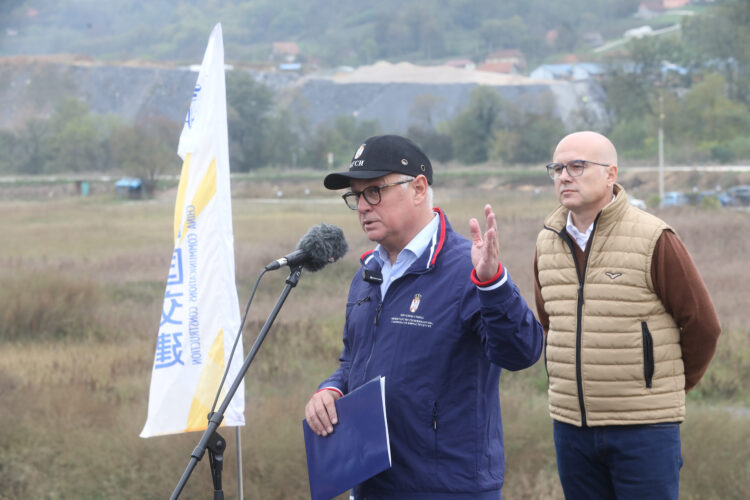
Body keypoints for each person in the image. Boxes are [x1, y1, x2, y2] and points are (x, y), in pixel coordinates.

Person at [305, 134, 544, 499]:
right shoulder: (368, 272)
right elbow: (355, 359)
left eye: (374, 191)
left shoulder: (469, 267)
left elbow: (521, 352)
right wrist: (332, 388)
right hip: (372, 481)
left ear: (418, 189)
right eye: (356, 196)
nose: (364, 207)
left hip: (448, 487)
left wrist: (493, 284)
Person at [534, 131, 721, 499]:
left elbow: (703, 326)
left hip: (645, 430)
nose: (564, 176)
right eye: (557, 168)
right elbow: (550, 323)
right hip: (571, 428)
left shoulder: (654, 237)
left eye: (577, 166)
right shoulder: (546, 241)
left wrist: (663, 389)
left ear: (610, 173)